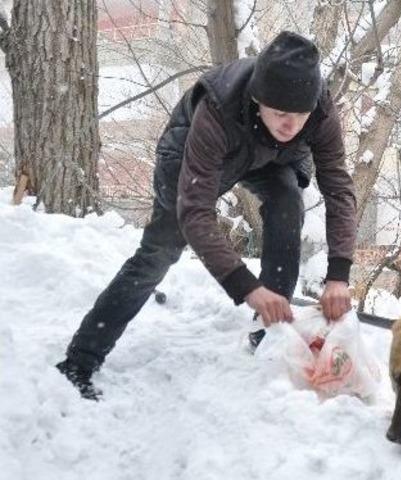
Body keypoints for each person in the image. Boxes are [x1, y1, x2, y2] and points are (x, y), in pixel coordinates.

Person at [56, 32, 356, 400]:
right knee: (159, 252)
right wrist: (247, 287)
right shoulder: (218, 106)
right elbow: (196, 211)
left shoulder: (319, 109)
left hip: (270, 157)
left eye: (300, 116)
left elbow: (338, 188)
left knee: (287, 200)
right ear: (259, 99)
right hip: (191, 158)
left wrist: (339, 275)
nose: (291, 125)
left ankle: (270, 333)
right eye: (280, 113)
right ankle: (80, 359)